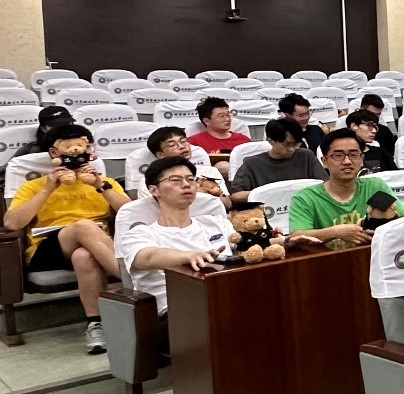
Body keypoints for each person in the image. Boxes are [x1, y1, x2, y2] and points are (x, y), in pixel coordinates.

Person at [3, 123, 126, 353]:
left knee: (84, 255)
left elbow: (131, 212)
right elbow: (12, 223)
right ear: (54, 153)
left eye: (83, 148)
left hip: (98, 245)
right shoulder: (33, 186)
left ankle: (95, 324)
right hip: (47, 249)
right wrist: (48, 188)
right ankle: (133, 281)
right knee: (83, 226)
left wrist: (101, 185)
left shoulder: (102, 181)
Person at [116, 156, 234, 316]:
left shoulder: (216, 223)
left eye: (191, 179)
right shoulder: (140, 233)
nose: (186, 184)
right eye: (175, 180)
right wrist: (190, 256)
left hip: (227, 300)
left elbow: (245, 247)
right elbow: (147, 257)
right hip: (177, 313)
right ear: (154, 190)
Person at [290, 129, 404, 248]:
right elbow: (296, 236)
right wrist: (336, 232)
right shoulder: (305, 198)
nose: (347, 161)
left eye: (353, 155)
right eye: (338, 155)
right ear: (324, 161)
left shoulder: (376, 186)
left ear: (362, 159)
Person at [230, 117, 327, 203]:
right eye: (287, 144)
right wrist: (268, 194)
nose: (291, 149)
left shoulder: (306, 156)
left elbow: (326, 184)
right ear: (271, 141)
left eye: (295, 144)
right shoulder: (252, 164)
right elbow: (236, 195)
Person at [188, 97, 251, 175]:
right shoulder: (194, 142)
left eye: (228, 115)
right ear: (207, 121)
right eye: (222, 116)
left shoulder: (243, 140)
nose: (227, 119)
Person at [359, 93, 397, 162]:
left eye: (378, 115)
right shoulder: (349, 132)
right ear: (361, 110)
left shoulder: (385, 132)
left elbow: (389, 157)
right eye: (372, 114)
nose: (375, 118)